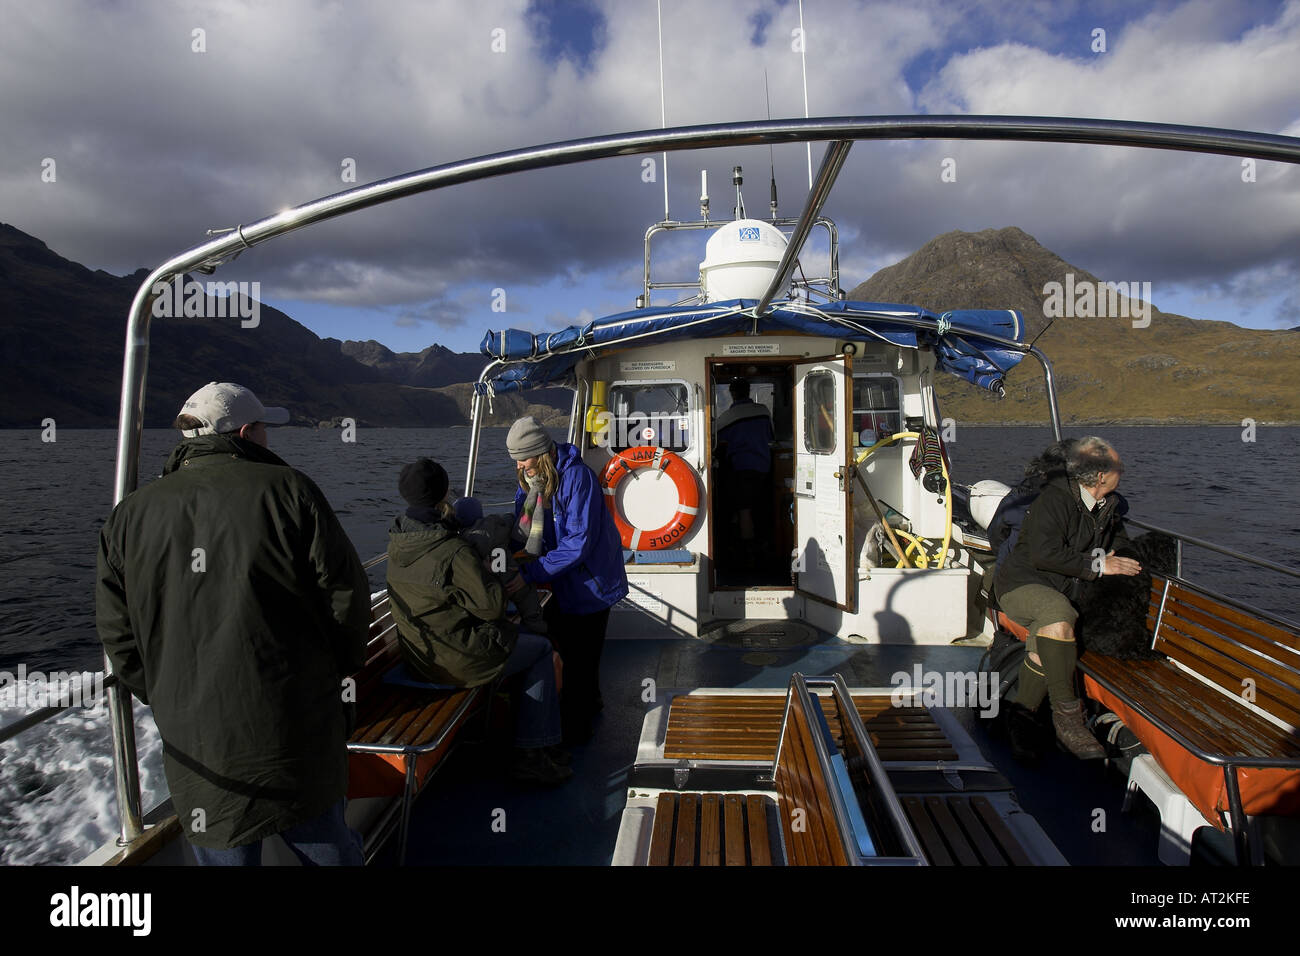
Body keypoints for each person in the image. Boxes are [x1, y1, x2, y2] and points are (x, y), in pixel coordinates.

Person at [95, 382, 371, 865]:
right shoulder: (290, 490)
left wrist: (166, 695)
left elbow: (118, 639)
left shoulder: (128, 516)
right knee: (327, 846)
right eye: (266, 428)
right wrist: (339, 674)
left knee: (221, 845)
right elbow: (345, 598)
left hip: (195, 739)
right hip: (295, 726)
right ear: (247, 433)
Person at [385, 458, 570, 784]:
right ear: (444, 496)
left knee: (519, 642)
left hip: (419, 658)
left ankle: (518, 734)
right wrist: (490, 571)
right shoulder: (453, 550)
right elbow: (492, 608)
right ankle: (533, 755)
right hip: (457, 660)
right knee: (540, 649)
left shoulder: (398, 542)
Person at [993, 436, 1141, 759]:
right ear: (1101, 476)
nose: (1124, 471)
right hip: (1020, 585)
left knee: (1050, 632)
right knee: (1059, 615)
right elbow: (1045, 554)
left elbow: (1121, 544)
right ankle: (1069, 720)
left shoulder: (1108, 506)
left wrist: (1129, 559)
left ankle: (1020, 719)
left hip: (1058, 592)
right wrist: (1100, 565)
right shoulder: (1055, 500)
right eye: (1120, 466)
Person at [507, 416, 628, 744]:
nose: (519, 465)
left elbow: (579, 541)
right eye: (515, 459)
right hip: (558, 582)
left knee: (581, 659)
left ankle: (578, 733)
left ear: (540, 452)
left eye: (523, 458)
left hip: (591, 584)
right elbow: (522, 528)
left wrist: (529, 573)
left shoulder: (577, 478)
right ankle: (588, 706)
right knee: (568, 653)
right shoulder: (530, 481)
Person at [450, 496, 548, 635]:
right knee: (528, 601)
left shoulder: (463, 540)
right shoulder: (496, 524)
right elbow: (509, 521)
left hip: (492, 584)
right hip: (511, 575)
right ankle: (536, 628)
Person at [713, 379, 775, 567]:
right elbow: (771, 436)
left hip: (742, 468)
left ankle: (748, 556)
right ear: (748, 391)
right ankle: (763, 546)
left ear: (732, 393)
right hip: (765, 467)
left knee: (744, 510)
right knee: (760, 507)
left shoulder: (729, 416)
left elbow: (713, 438)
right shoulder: (764, 410)